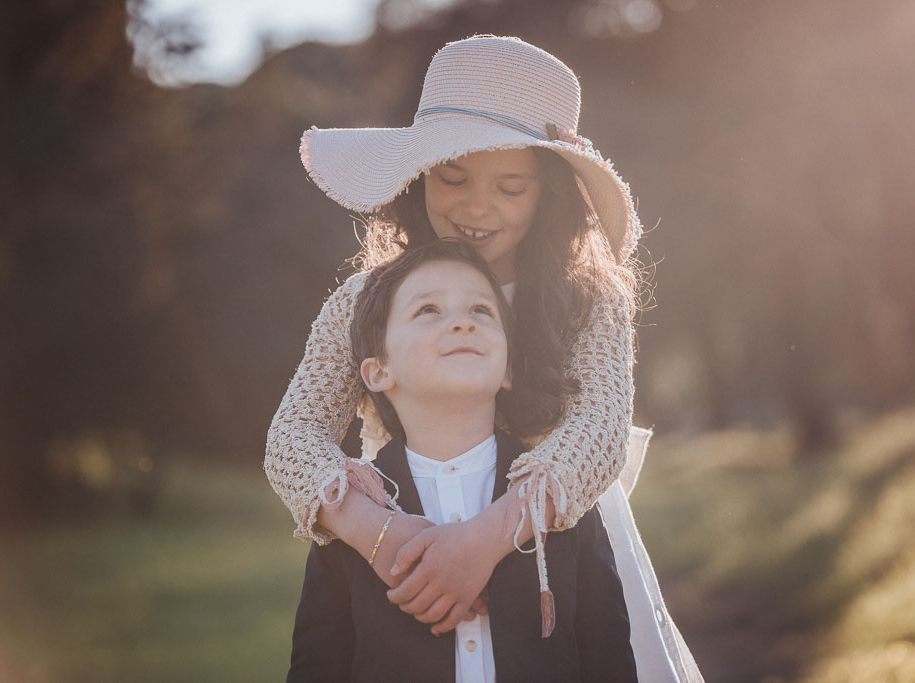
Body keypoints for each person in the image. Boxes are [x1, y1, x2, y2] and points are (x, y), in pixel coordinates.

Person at [266, 35, 702, 681]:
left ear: (547, 191)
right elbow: (293, 434)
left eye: (511, 186)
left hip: (561, 545)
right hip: (412, 526)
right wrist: (380, 538)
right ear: (419, 172)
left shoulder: (585, 299)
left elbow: (600, 429)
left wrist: (487, 538)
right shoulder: (368, 300)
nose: (476, 207)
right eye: (453, 176)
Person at [288, 239, 638, 682]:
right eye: (428, 310)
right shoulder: (349, 508)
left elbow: (607, 654)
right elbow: (318, 663)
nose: (462, 324)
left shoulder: (561, 496)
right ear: (378, 372)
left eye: (481, 311)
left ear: (508, 367)